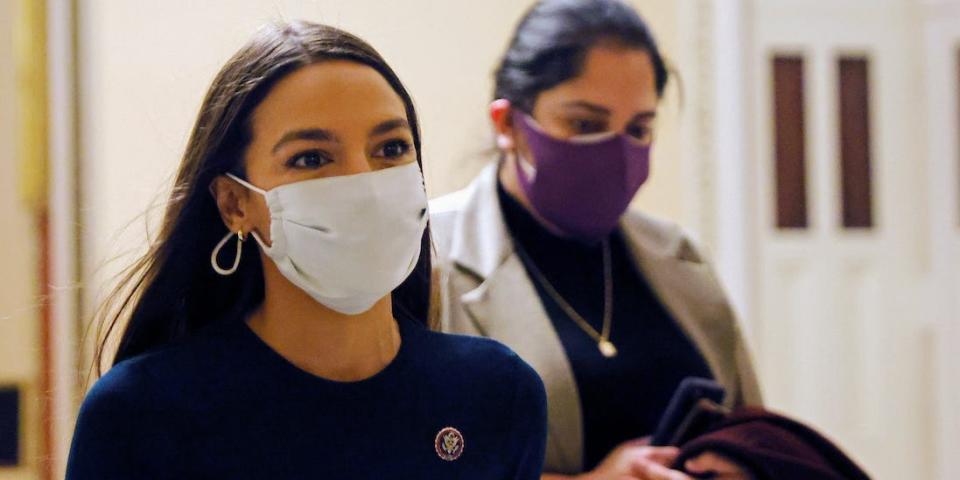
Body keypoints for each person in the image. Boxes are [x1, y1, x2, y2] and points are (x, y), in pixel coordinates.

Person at [67, 21, 546, 479]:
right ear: (236, 204)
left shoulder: (498, 393)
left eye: (391, 149)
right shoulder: (141, 414)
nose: (365, 183)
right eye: (311, 159)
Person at [430, 1, 762, 478]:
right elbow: (402, 456)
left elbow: (751, 424)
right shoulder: (430, 259)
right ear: (508, 125)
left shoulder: (679, 256)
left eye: (639, 129)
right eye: (585, 124)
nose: (617, 152)